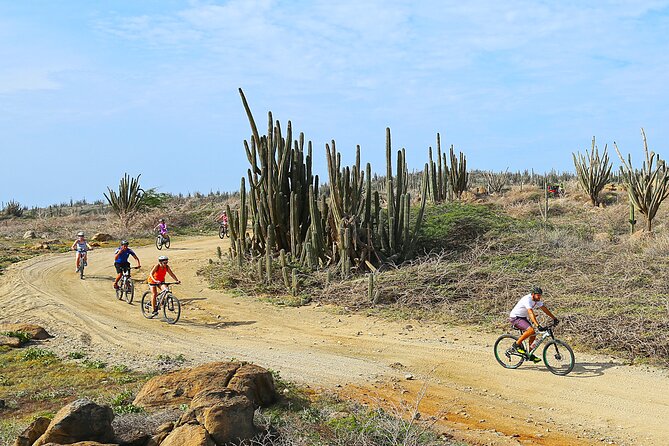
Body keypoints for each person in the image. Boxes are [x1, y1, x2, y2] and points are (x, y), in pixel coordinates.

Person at [508, 286, 559, 362]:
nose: (539, 297)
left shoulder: (536, 300)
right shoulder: (527, 299)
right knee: (531, 330)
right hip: (515, 318)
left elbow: (544, 309)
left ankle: (530, 354)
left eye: (540, 295)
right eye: (538, 295)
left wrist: (554, 318)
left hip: (523, 317)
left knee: (533, 334)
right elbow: (530, 312)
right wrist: (537, 325)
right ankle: (516, 345)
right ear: (532, 294)